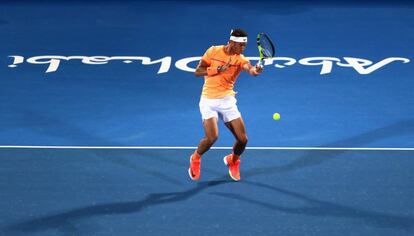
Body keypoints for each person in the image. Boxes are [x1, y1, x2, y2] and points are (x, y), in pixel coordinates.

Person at [188, 28, 263, 181]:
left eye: (245, 46)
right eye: (241, 45)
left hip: (227, 100)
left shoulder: (240, 59)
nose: (243, 49)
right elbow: (198, 71)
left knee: (243, 139)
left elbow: (251, 70)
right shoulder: (213, 51)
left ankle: (233, 161)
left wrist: (256, 70)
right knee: (212, 137)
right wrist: (216, 69)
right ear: (232, 42)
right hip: (208, 100)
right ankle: (195, 158)